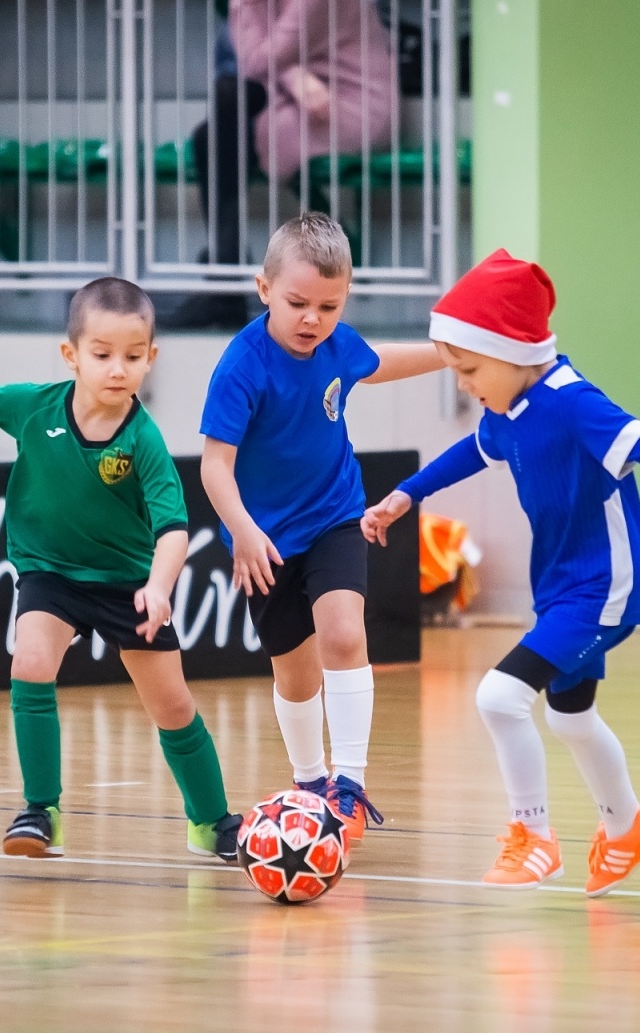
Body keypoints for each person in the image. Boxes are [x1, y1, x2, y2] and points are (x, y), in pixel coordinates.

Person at [361, 249, 640, 896]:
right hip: (562, 589)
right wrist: (405, 495)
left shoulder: (575, 405)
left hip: (603, 589)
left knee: (499, 695)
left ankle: (535, 838)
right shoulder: (510, 410)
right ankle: (629, 827)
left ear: (514, 351)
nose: (461, 383)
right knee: (569, 718)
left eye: (468, 368)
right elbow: (474, 449)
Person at [0, 277, 242, 862]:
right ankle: (40, 811)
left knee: (173, 706)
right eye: (102, 355)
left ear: (151, 359)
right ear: (70, 355)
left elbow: (173, 528)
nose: (117, 369)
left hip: (127, 585)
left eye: (133, 357)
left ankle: (211, 822)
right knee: (30, 661)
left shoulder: (144, 441)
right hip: (48, 574)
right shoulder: (33, 407)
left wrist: (159, 587)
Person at [199, 211, 440, 843]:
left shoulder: (336, 344)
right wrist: (245, 532)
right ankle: (309, 786)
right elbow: (214, 467)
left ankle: (350, 785)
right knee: (294, 669)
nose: (313, 319)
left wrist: (449, 354)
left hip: (336, 516)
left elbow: (376, 361)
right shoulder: (241, 365)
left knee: (341, 633)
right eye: (298, 303)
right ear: (264, 289)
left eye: (329, 306)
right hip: (265, 540)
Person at [164, 0, 395, 330]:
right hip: (291, 96)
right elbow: (257, 60)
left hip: (346, 101)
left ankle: (223, 282)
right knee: (217, 127)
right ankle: (225, 273)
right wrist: (294, 76)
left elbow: (258, 59)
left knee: (226, 126)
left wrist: (240, 6)